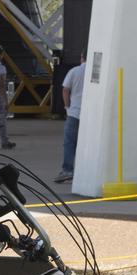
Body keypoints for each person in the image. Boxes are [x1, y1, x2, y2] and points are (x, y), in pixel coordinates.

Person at [55, 52, 85, 183]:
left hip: (74, 113)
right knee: (85, 144)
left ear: (81, 57)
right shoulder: (95, 71)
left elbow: (65, 89)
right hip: (90, 115)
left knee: (69, 142)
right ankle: (84, 170)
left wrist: (67, 107)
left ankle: (67, 170)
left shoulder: (74, 71)